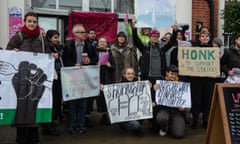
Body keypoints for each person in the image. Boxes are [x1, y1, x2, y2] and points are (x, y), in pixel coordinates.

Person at [6, 12, 53, 144]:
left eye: (34, 21)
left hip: (36, 80)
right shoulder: (18, 37)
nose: (32, 24)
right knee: (21, 110)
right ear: (24, 22)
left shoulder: (42, 39)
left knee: (35, 110)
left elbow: (48, 53)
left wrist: (52, 57)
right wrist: (13, 52)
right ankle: (21, 140)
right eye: (29, 21)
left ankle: (34, 139)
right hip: (21, 81)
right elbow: (7, 53)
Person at [62, 24, 98, 134]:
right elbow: (65, 60)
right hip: (72, 78)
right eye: (80, 32)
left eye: (84, 32)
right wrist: (73, 65)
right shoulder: (68, 45)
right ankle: (71, 125)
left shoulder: (89, 45)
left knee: (83, 103)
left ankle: (81, 125)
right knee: (72, 103)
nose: (83, 34)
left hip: (85, 78)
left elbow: (95, 58)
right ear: (74, 34)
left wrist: (90, 61)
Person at [190, 31, 215, 129]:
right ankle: (195, 120)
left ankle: (206, 120)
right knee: (196, 100)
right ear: (199, 38)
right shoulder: (193, 49)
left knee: (207, 100)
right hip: (196, 78)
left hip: (208, 78)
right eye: (202, 36)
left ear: (209, 38)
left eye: (207, 36)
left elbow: (217, 64)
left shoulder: (213, 50)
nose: (204, 38)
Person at [153, 65, 185, 138]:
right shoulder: (161, 82)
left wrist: (183, 106)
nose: (173, 76)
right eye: (171, 74)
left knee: (178, 135)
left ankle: (172, 125)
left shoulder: (182, 84)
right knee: (161, 118)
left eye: (175, 74)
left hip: (177, 112)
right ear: (167, 73)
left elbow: (185, 99)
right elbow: (155, 97)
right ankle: (164, 128)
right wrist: (154, 89)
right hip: (164, 110)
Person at [41, 30, 63, 136]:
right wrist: (50, 56)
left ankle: (52, 121)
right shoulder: (46, 48)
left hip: (57, 77)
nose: (57, 39)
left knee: (56, 100)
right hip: (50, 79)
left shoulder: (57, 47)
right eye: (55, 37)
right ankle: (47, 125)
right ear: (49, 38)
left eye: (57, 37)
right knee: (51, 101)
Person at [96, 37, 115, 125]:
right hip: (96, 78)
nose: (102, 43)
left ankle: (105, 116)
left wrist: (109, 65)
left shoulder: (110, 53)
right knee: (98, 98)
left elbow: (114, 68)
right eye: (100, 42)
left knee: (106, 98)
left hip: (107, 78)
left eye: (104, 42)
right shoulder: (94, 52)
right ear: (98, 43)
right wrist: (97, 64)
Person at [85, 28, 98, 128]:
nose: (93, 34)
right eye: (91, 33)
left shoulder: (98, 43)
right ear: (88, 34)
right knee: (88, 97)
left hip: (98, 73)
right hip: (87, 73)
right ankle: (86, 117)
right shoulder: (85, 44)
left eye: (94, 33)